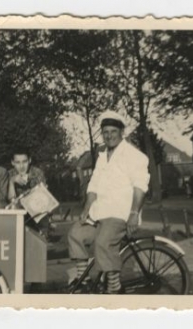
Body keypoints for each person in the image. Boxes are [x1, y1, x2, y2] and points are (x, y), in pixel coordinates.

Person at [67, 112, 150, 294]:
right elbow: (94, 186)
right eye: (105, 132)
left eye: (113, 131)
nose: (109, 135)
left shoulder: (134, 156)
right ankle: (84, 280)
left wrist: (134, 214)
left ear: (122, 132)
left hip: (119, 214)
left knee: (103, 242)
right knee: (76, 233)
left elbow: (140, 187)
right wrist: (86, 209)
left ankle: (114, 287)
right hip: (99, 214)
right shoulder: (102, 156)